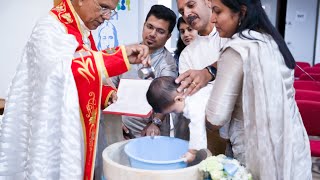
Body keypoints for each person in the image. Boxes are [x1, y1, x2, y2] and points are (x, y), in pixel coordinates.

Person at [0, 0, 150, 179]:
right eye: (103, 7)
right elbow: (63, 74)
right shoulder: (49, 28)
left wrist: (107, 95)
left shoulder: (84, 31)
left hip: (83, 131)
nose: (107, 17)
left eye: (111, 11)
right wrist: (119, 56)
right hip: (57, 131)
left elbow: (89, 78)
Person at [205, 0, 312, 179]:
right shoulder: (273, 41)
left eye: (218, 11)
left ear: (241, 12)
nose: (213, 19)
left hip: (256, 152)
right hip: (290, 144)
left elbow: (216, 116)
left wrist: (191, 105)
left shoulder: (237, 49)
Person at [112, 5, 178, 139]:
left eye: (160, 31)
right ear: (144, 25)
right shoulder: (126, 52)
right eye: (149, 27)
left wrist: (155, 123)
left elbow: (167, 98)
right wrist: (115, 120)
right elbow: (111, 85)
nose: (152, 34)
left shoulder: (168, 63)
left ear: (168, 36)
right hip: (122, 127)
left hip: (151, 131)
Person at [176, 0, 229, 155]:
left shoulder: (229, 36)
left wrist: (209, 73)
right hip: (209, 128)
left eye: (191, 5)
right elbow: (190, 95)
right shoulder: (187, 54)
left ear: (208, 2)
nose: (186, 14)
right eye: (181, 11)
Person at [146, 76, 211, 163]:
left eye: (174, 110)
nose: (176, 113)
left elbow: (197, 126)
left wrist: (192, 152)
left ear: (179, 99)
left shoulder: (194, 103)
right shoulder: (186, 92)